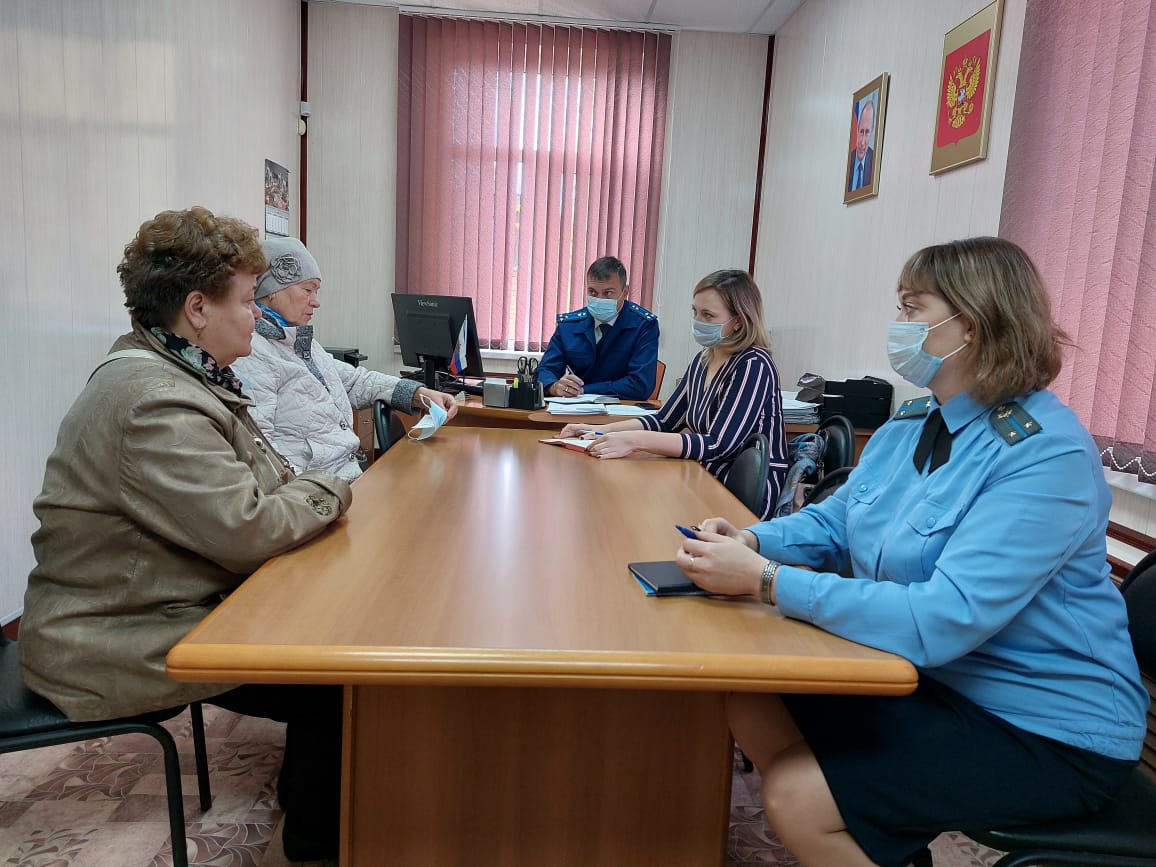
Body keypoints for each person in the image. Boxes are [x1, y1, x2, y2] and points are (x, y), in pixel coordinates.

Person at [677, 238, 1147, 867]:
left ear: (970, 325)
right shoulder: (914, 422)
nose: (899, 326)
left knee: (798, 795)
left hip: (1048, 729)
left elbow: (942, 618)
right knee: (751, 695)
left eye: (912, 307)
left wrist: (766, 582)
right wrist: (753, 539)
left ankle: (855, 822)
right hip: (941, 681)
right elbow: (837, 521)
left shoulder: (1043, 454)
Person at [20, 207, 354, 863]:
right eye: (245, 300)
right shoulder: (154, 399)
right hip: (109, 636)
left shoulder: (184, 373)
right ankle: (317, 843)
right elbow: (252, 526)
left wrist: (304, 489)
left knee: (330, 644)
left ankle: (311, 798)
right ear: (197, 308)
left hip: (151, 606)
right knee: (338, 676)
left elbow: (271, 483)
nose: (257, 314)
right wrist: (336, 486)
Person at [560, 269, 788, 519]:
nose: (698, 321)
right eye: (696, 312)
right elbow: (664, 421)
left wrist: (634, 440)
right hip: (705, 477)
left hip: (741, 498)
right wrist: (601, 431)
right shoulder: (704, 360)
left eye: (708, 315)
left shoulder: (753, 364)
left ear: (738, 322)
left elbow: (719, 445)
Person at [230, 237, 457, 481]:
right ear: (271, 291)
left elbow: (356, 381)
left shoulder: (302, 343)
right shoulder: (251, 354)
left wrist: (419, 393)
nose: (316, 301)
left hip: (348, 478)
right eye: (307, 290)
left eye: (316, 291)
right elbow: (259, 452)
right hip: (316, 494)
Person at [537, 256, 660, 400]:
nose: (599, 299)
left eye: (608, 293)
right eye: (593, 292)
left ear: (625, 291)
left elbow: (640, 385)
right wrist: (554, 386)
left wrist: (583, 390)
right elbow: (545, 370)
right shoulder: (569, 326)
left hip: (621, 413)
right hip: (572, 411)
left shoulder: (643, 325)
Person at [848, 97, 875, 192]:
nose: (862, 142)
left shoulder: (874, 163)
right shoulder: (848, 160)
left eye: (867, 132)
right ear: (857, 130)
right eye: (861, 132)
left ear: (871, 132)